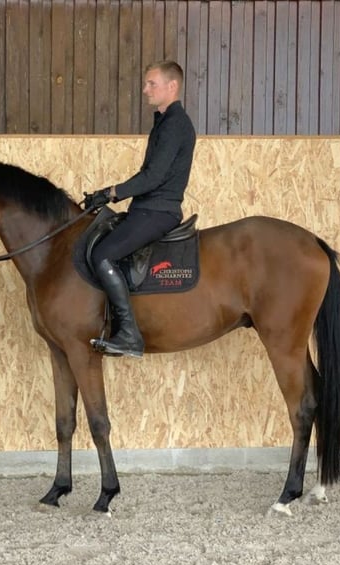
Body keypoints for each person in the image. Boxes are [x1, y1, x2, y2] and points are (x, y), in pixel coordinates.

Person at [87, 60, 197, 358]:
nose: (145, 89)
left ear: (171, 87)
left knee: (102, 254)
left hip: (158, 212)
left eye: (152, 84)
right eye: (146, 83)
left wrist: (111, 193)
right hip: (147, 208)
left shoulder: (175, 124)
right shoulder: (164, 121)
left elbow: (154, 177)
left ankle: (130, 336)